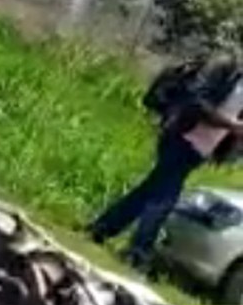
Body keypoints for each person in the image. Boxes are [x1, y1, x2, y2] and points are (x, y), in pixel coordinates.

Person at [88, 55, 243, 269]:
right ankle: (137, 253)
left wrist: (231, 139)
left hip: (199, 151)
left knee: (150, 190)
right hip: (180, 136)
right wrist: (231, 125)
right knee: (165, 197)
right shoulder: (225, 67)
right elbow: (196, 100)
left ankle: (101, 228)